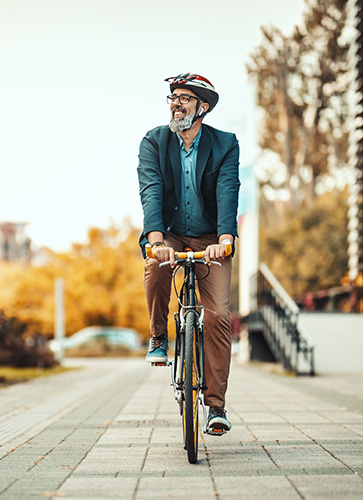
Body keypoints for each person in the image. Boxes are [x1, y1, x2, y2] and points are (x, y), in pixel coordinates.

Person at [137, 73, 240, 435]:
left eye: (184, 98)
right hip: (171, 233)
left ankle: (216, 407)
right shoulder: (154, 141)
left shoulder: (225, 143)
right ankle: (158, 336)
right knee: (156, 265)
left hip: (212, 236)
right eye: (172, 98)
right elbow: (150, 189)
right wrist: (156, 240)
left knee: (217, 316)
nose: (175, 103)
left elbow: (229, 189)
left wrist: (225, 238)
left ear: (203, 107)